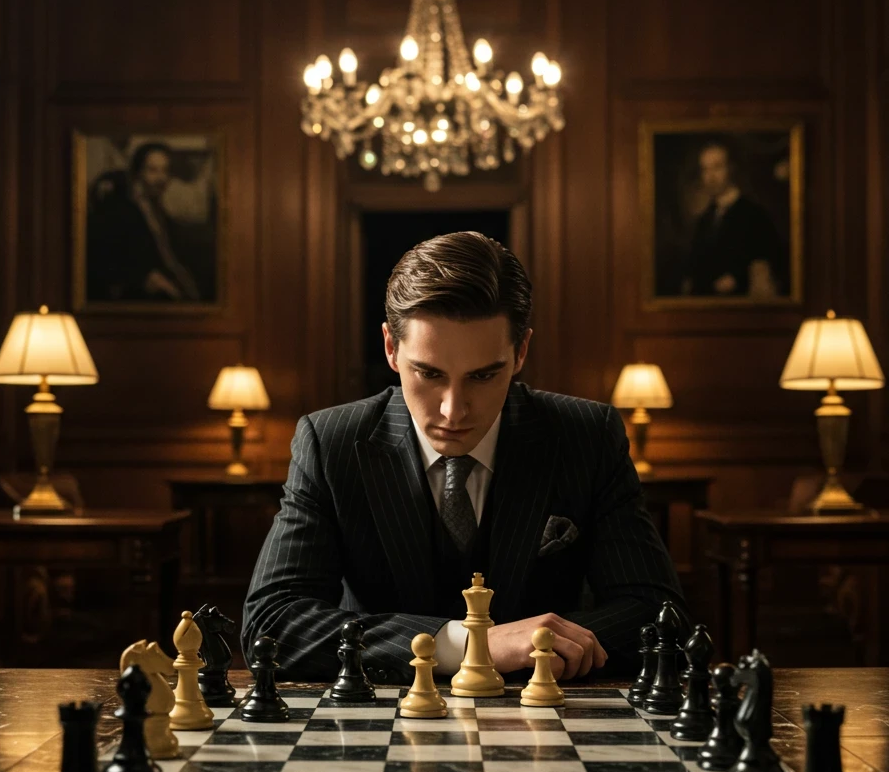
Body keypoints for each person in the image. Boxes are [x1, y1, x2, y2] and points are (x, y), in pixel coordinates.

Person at [243, 232, 688, 684]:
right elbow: (272, 622)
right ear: (391, 348)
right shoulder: (331, 442)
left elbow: (657, 614)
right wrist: (468, 645)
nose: (453, 410)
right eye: (429, 373)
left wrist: (545, 644)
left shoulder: (587, 436)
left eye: (483, 376)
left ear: (521, 353)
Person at [86, 142, 201, 303]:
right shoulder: (119, 211)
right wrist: (145, 278)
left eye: (165, 171)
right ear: (138, 174)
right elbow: (105, 262)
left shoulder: (160, 214)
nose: (161, 178)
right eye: (153, 170)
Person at [681, 141, 785, 298]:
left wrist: (737, 278)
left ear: (731, 168)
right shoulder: (705, 220)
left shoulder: (754, 214)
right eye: (705, 169)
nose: (711, 176)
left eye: (717, 167)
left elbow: (766, 265)